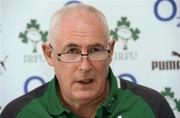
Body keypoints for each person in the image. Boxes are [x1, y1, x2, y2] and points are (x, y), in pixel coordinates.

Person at [0, 3, 175, 118]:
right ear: (49, 54)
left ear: (110, 51)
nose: (84, 66)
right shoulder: (17, 113)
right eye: (72, 51)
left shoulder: (152, 107)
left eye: (95, 50)